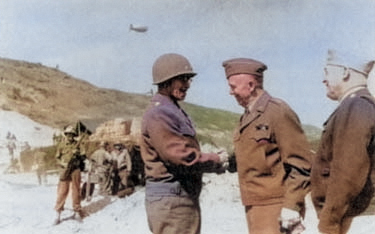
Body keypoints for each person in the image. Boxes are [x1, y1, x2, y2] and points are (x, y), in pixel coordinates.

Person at [221, 57, 313, 234]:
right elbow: (251, 156)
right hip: (255, 204)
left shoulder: (277, 111)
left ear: (251, 85)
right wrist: (222, 160)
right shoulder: (247, 116)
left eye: (233, 87)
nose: (230, 92)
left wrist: (292, 205)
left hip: (276, 205)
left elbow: (301, 164)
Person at [140, 53, 228, 234]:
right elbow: (182, 157)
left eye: (188, 79)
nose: (187, 85)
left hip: (178, 198)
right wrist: (216, 159)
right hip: (173, 201)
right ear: (167, 81)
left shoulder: (171, 110)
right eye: (183, 79)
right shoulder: (161, 114)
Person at [311, 50, 375, 234]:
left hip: (352, 216)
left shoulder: (355, 106)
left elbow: (347, 171)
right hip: (352, 214)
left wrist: (330, 220)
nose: (324, 80)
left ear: (345, 72)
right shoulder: (358, 105)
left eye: (327, 73)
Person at [54, 125, 86, 224]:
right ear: (66, 135)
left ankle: (76, 211)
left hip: (75, 169)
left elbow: (84, 156)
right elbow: (57, 158)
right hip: (65, 169)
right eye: (68, 134)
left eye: (72, 135)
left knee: (76, 190)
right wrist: (63, 163)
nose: (70, 137)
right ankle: (58, 213)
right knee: (62, 191)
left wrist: (78, 154)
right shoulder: (61, 145)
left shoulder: (78, 145)